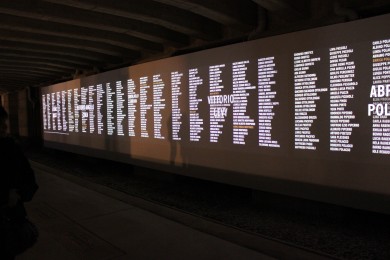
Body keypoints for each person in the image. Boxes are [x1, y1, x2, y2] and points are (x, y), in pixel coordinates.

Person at [0, 105, 39, 260]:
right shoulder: (11, 149)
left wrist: (17, 194)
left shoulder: (11, 149)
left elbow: (29, 183)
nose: (4, 127)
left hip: (7, 223)